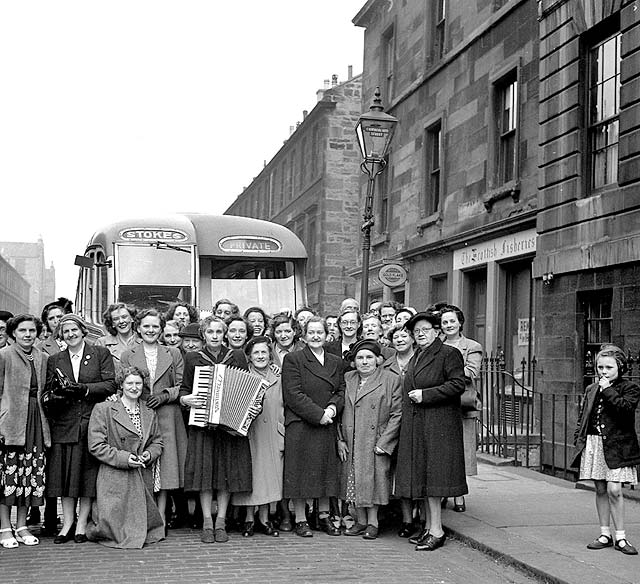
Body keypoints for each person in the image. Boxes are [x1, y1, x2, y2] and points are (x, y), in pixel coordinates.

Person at [395, 311, 466, 551]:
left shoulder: (449, 353)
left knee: (435, 480)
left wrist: (426, 395)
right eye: (416, 332)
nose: (421, 334)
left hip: (439, 426)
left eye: (426, 330)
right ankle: (428, 527)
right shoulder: (417, 356)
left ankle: (437, 530)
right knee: (424, 479)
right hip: (419, 426)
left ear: (437, 331)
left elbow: (457, 385)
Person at [44, 314, 116, 544]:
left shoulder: (99, 354)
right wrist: (56, 396)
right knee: (65, 476)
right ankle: (67, 523)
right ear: (61, 336)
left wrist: (83, 389)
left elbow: (110, 383)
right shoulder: (55, 359)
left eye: (74, 329)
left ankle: (82, 524)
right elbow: (48, 390)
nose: (71, 334)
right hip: (64, 424)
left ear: (83, 331)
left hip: (90, 423)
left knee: (85, 476)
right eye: (66, 332)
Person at [179, 316, 252, 544]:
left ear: (225, 334)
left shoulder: (237, 356)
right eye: (210, 332)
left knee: (225, 473)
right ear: (204, 335)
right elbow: (184, 389)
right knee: (205, 474)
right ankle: (206, 521)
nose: (214, 336)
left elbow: (244, 385)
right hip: (203, 425)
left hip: (228, 425)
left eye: (219, 332)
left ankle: (221, 520)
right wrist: (186, 399)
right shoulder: (193, 358)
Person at [120, 308, 187, 528]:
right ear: (138, 328)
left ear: (161, 329)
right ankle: (142, 515)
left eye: (155, 326)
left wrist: (165, 395)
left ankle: (161, 515)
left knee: (166, 467)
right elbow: (124, 383)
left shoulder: (173, 353)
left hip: (167, 414)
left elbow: (183, 385)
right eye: (146, 326)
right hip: (139, 412)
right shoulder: (128, 354)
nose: (150, 330)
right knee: (143, 462)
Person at [572, 344, 640, 555]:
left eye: (608, 367)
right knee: (600, 488)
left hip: (618, 445)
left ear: (619, 367)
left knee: (614, 489)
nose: (603, 371)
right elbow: (584, 417)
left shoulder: (629, 388)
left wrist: (607, 388)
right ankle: (605, 534)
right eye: (600, 367)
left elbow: (625, 410)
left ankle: (621, 537)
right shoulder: (591, 389)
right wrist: (579, 439)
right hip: (595, 443)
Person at [86, 366, 165, 548]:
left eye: (138, 383)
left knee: (142, 524)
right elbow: (96, 445)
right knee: (115, 526)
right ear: (121, 384)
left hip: (141, 474)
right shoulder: (104, 409)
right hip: (115, 473)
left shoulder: (149, 411)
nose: (134, 387)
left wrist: (149, 454)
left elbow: (157, 442)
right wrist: (124, 458)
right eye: (129, 383)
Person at [282, 316, 345, 537]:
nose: (316, 336)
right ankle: (300, 518)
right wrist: (318, 415)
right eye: (311, 333)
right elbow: (293, 394)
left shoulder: (336, 361)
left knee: (325, 470)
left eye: (320, 332)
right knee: (300, 472)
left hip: (327, 421)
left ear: (327, 335)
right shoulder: (294, 359)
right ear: (304, 336)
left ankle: (324, 516)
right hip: (302, 424)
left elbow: (340, 391)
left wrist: (331, 409)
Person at [337, 340, 402, 540]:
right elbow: (339, 410)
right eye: (360, 358)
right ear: (354, 362)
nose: (364, 362)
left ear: (378, 360)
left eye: (369, 357)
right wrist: (340, 439)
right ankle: (360, 521)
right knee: (354, 480)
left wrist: (384, 442)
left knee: (373, 481)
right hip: (351, 438)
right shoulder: (348, 378)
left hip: (375, 440)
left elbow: (397, 413)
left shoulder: (391, 379)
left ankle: (373, 522)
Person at [0, 314, 50, 548]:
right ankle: (4, 527)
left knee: (29, 475)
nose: (28, 335)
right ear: (13, 334)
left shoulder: (43, 357)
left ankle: (22, 525)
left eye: (32, 330)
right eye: (22, 331)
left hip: (36, 421)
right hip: (11, 422)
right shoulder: (4, 355)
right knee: (8, 475)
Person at [233, 336, 284, 537]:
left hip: (273, 430)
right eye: (256, 353)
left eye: (264, 352)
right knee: (253, 476)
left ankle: (264, 519)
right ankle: (248, 519)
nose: (260, 356)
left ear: (270, 355)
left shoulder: (279, 377)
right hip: (251, 433)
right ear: (249, 357)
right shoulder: (244, 376)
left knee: (269, 477)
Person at [440, 305, 483, 512]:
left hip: (461, 405)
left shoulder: (472, 346)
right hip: (440, 404)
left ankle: (458, 495)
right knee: (443, 452)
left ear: (460, 323)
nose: (449, 325)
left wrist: (444, 369)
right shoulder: (436, 344)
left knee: (461, 454)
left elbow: (471, 372)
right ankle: (442, 492)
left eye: (452, 321)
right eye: (445, 322)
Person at [382, 324, 419, 537]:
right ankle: (406, 520)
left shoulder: (421, 361)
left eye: (404, 336)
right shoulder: (386, 366)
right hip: (395, 423)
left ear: (412, 338)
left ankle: (422, 518)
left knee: (418, 472)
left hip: (417, 421)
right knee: (399, 474)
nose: (400, 340)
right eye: (396, 337)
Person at [94, 303, 138, 368]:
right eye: (116, 319)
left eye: (124, 317)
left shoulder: (144, 341)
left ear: (132, 318)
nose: (121, 321)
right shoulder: (102, 343)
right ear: (112, 324)